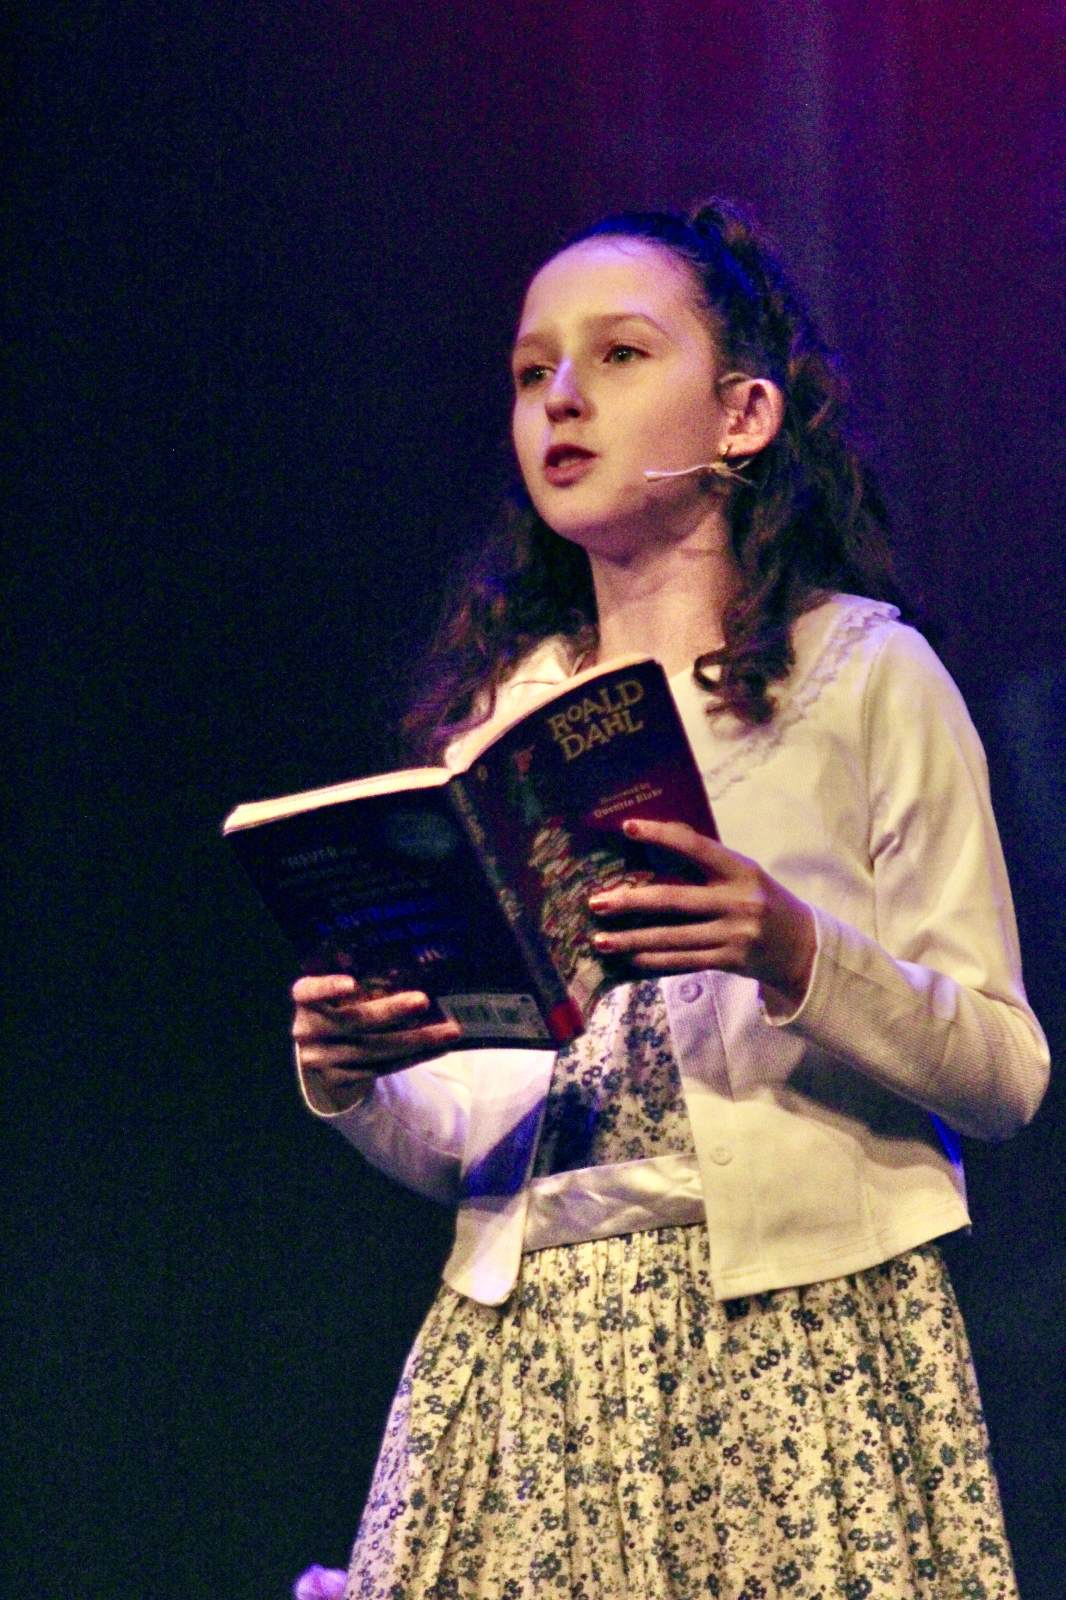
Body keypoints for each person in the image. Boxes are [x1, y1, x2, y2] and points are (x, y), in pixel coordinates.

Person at [291, 201, 1049, 1599]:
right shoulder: (491, 728)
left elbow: (1005, 1072)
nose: (562, 397)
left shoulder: (862, 678)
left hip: (800, 1340)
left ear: (744, 414)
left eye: (620, 354)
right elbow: (471, 1136)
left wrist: (794, 950)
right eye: (532, 371)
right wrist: (362, 1077)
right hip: (527, 1360)